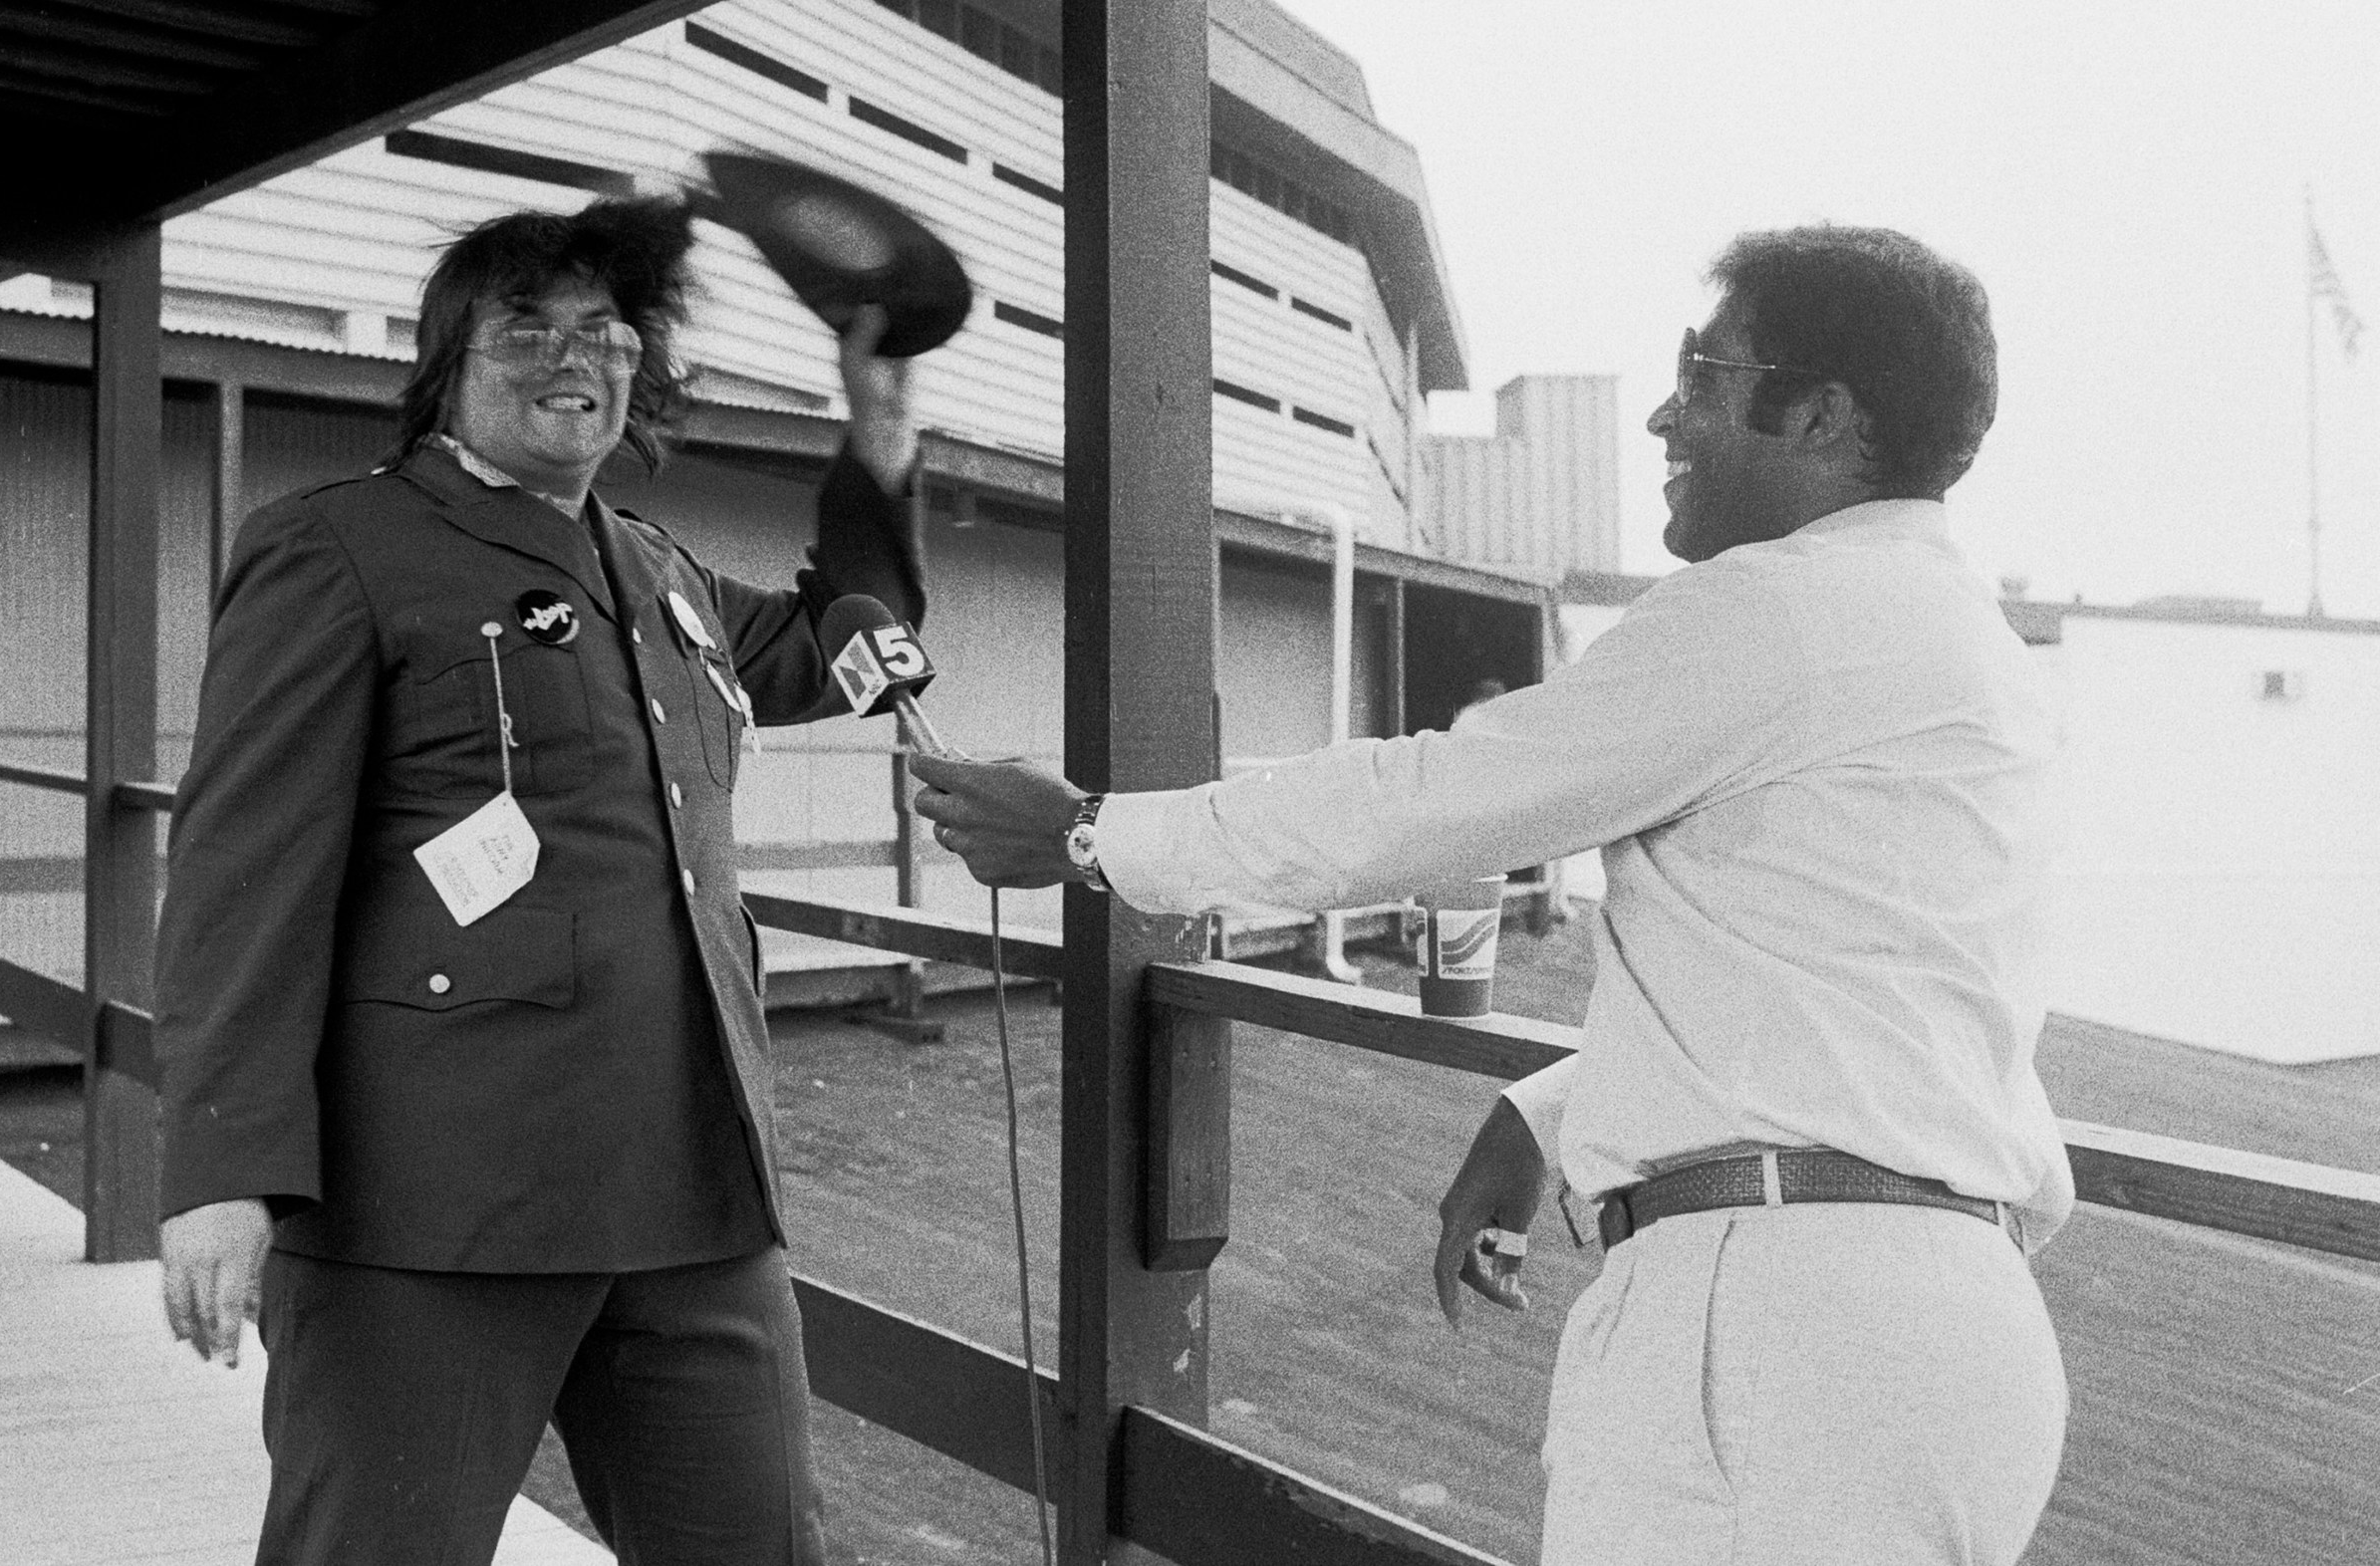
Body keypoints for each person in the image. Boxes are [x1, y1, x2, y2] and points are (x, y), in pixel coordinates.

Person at [911, 225, 2072, 1566]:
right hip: (1935, 1333)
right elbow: (1853, 990)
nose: (1663, 409)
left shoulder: (1783, 609)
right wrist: (1550, 1114)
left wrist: (1094, 834)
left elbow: (1436, 799)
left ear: (1818, 415)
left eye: (1702, 370)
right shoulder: (1969, 652)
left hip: (1780, 1338)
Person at [152, 194, 925, 1565]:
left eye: (608, 332)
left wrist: (874, 443)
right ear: (448, 363)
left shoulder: (658, 569)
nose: (576, 357)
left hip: (692, 1197)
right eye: (527, 327)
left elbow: (829, 644)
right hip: (433, 1208)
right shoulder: (339, 549)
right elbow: (241, 876)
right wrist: (220, 1168)